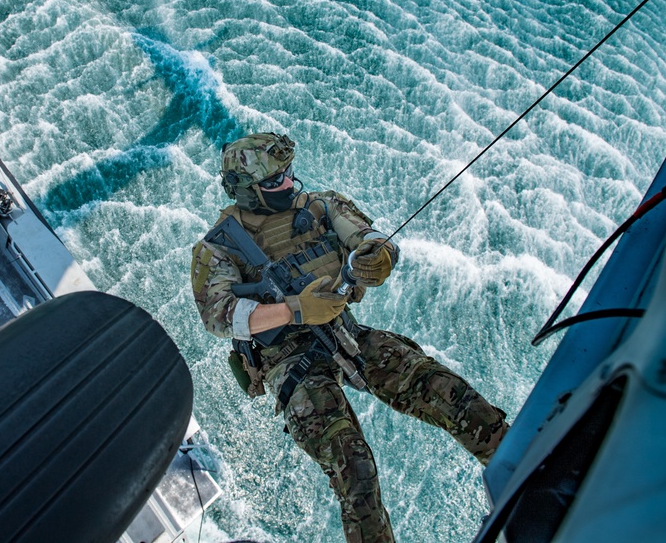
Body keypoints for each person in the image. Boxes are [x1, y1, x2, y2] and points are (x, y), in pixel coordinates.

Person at [190, 132, 509, 543]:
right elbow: (218, 316)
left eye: (288, 174)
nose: (287, 185)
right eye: (273, 183)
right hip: (290, 363)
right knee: (354, 470)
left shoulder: (320, 205)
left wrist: (378, 256)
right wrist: (294, 310)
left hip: (345, 334)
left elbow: (367, 238)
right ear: (245, 191)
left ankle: (519, 466)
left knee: (442, 388)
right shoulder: (216, 248)